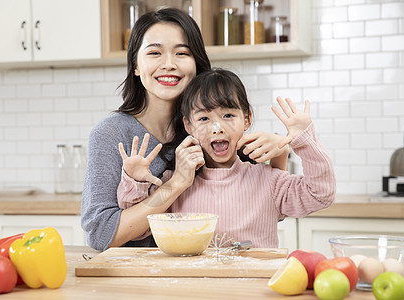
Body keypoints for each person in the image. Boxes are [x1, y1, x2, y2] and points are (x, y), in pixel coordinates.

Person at [81, 9, 288, 251]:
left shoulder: (209, 129)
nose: (169, 64)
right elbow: (101, 234)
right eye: (154, 53)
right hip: (137, 279)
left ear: (197, 64)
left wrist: (280, 153)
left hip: (202, 274)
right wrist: (177, 182)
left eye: (181, 53)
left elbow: (264, 210)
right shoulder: (112, 134)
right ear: (136, 66)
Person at [117, 68, 336, 248]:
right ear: (188, 126)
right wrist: (135, 181)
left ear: (247, 119)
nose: (217, 128)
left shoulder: (268, 181)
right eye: (203, 118)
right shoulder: (175, 183)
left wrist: (304, 141)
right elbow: (139, 230)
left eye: (228, 115)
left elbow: (320, 194)